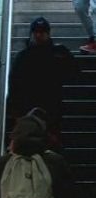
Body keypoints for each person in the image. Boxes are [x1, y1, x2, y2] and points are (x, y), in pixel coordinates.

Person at [7, 17, 78, 150]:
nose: (39, 35)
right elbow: (14, 83)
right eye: (36, 32)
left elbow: (73, 73)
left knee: (48, 143)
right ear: (32, 34)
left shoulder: (58, 53)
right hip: (28, 107)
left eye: (42, 32)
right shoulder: (23, 56)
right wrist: (15, 111)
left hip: (51, 107)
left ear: (48, 33)